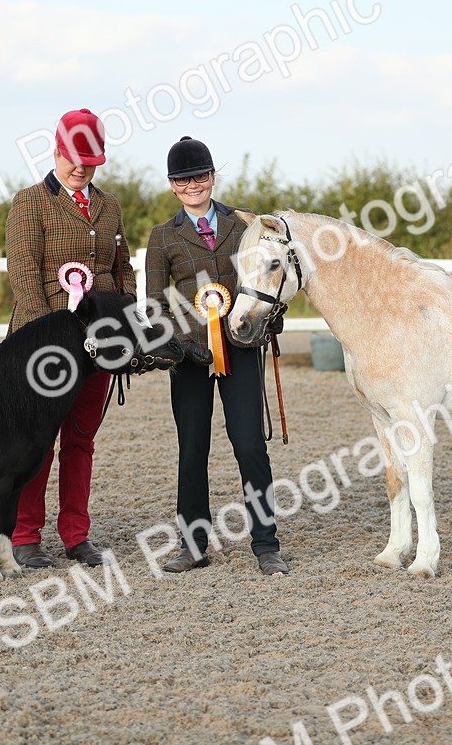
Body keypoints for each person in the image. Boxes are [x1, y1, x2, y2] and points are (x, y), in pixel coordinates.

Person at [145, 136, 289, 575]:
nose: (193, 185)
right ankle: (193, 545)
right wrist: (178, 342)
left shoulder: (245, 225)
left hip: (240, 347)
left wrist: (272, 316)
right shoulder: (162, 236)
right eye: (183, 180)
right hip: (190, 356)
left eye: (200, 176)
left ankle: (266, 543)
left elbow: (270, 274)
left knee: (250, 446)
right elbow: (154, 304)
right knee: (193, 449)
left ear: (212, 176)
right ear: (172, 185)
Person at [4, 108, 136, 568]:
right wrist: (48, 338)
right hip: (45, 342)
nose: (80, 168)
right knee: (38, 440)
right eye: (73, 158)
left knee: (81, 439)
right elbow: (24, 273)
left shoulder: (109, 206)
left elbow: (121, 268)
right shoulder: (30, 202)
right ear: (57, 151)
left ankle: (76, 535)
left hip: (98, 343)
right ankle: (24, 535)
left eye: (90, 161)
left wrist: (126, 318)